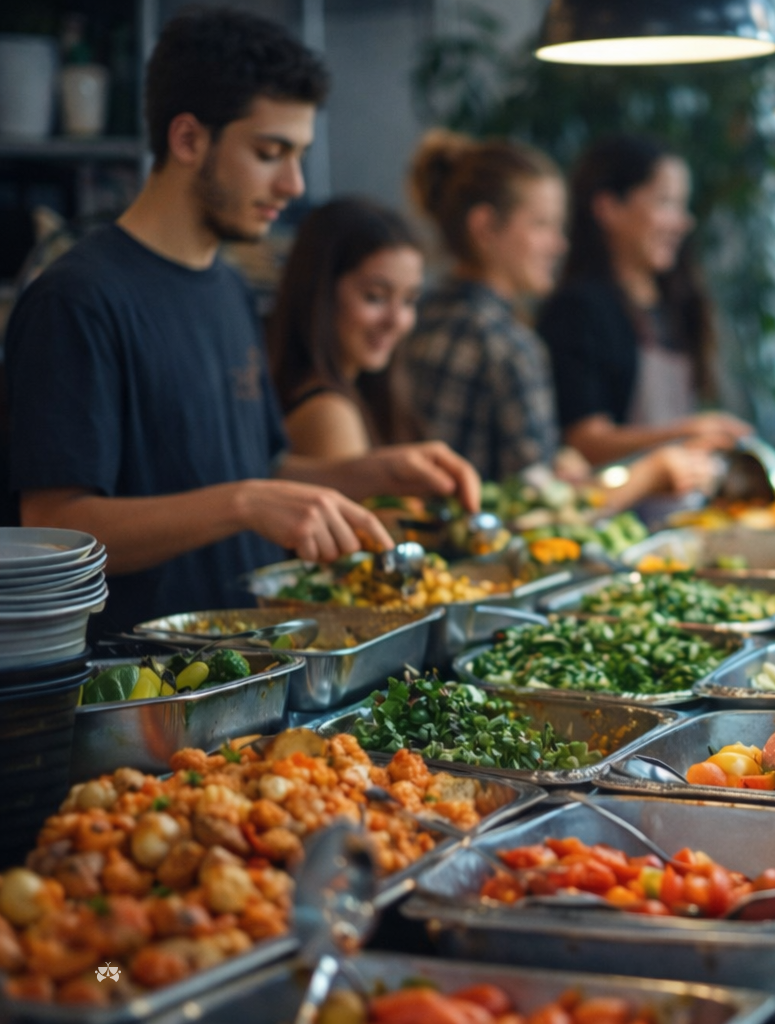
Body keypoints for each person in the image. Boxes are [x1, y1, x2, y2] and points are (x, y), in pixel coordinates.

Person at [3, 9, 479, 634]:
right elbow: (52, 531)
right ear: (187, 140)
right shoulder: (77, 298)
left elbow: (265, 469)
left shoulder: (229, 286)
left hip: (244, 670)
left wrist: (379, 471)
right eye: (269, 152)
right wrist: (244, 503)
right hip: (137, 689)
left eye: (299, 154)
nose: (293, 182)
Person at [402, 131, 714, 505]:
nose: (558, 244)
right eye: (541, 225)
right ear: (485, 227)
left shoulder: (423, 315)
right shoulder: (508, 341)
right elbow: (543, 513)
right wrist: (652, 473)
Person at [536, 135, 753, 464]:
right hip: (618, 509)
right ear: (609, 208)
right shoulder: (578, 309)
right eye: (665, 203)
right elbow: (584, 440)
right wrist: (688, 434)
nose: (683, 222)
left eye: (682, 205)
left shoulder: (675, 302)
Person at [268, 197, 424, 459]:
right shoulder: (327, 413)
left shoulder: (363, 392)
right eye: (375, 296)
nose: (396, 320)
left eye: (409, 300)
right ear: (320, 293)